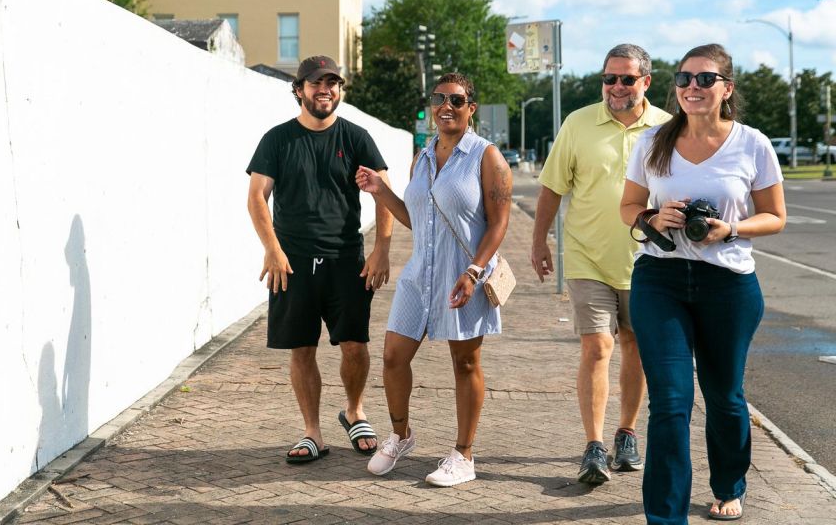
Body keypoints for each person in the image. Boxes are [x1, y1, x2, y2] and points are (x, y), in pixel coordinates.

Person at [620, 43, 786, 523]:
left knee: (725, 396)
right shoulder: (652, 142)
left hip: (728, 284)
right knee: (670, 402)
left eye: (705, 79)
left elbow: (775, 216)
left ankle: (729, 484)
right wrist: (654, 217)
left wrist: (730, 228)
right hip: (660, 279)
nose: (692, 87)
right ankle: (666, 517)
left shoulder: (753, 143)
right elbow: (628, 207)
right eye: (684, 78)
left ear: (726, 89)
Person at [354, 72, 511, 487]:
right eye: (439, 98)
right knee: (393, 357)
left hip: (463, 276)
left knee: (465, 362)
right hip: (418, 275)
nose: (446, 107)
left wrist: (474, 271)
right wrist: (381, 191)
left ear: (471, 108)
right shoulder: (421, 157)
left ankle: (464, 455)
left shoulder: (487, 157)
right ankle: (401, 435)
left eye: (456, 100)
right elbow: (417, 219)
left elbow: (499, 224)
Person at [531, 44, 671, 485]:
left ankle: (626, 433)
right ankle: (593, 445)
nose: (616, 87)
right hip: (587, 257)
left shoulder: (667, 128)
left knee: (635, 346)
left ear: (646, 81)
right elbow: (553, 188)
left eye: (627, 79)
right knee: (597, 347)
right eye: (609, 78)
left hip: (646, 259)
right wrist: (538, 240)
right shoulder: (578, 123)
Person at [246, 55, 394, 464]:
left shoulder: (356, 137)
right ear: (299, 90)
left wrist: (381, 249)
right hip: (292, 263)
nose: (325, 90)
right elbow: (257, 197)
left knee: (355, 346)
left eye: (332, 83)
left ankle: (355, 411)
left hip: (346, 259)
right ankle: (312, 431)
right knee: (302, 349)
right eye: (316, 83)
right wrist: (272, 248)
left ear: (340, 90)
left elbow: (383, 192)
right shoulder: (277, 140)